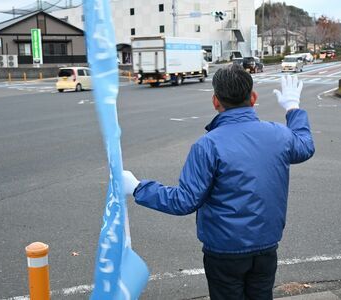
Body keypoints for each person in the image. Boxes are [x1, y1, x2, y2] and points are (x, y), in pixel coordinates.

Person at [122, 64, 315, 299]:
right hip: (266, 244)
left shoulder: (208, 145)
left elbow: (184, 200)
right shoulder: (278, 134)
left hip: (224, 249)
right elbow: (305, 146)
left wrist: (137, 188)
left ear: (215, 101)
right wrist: (293, 107)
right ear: (253, 98)